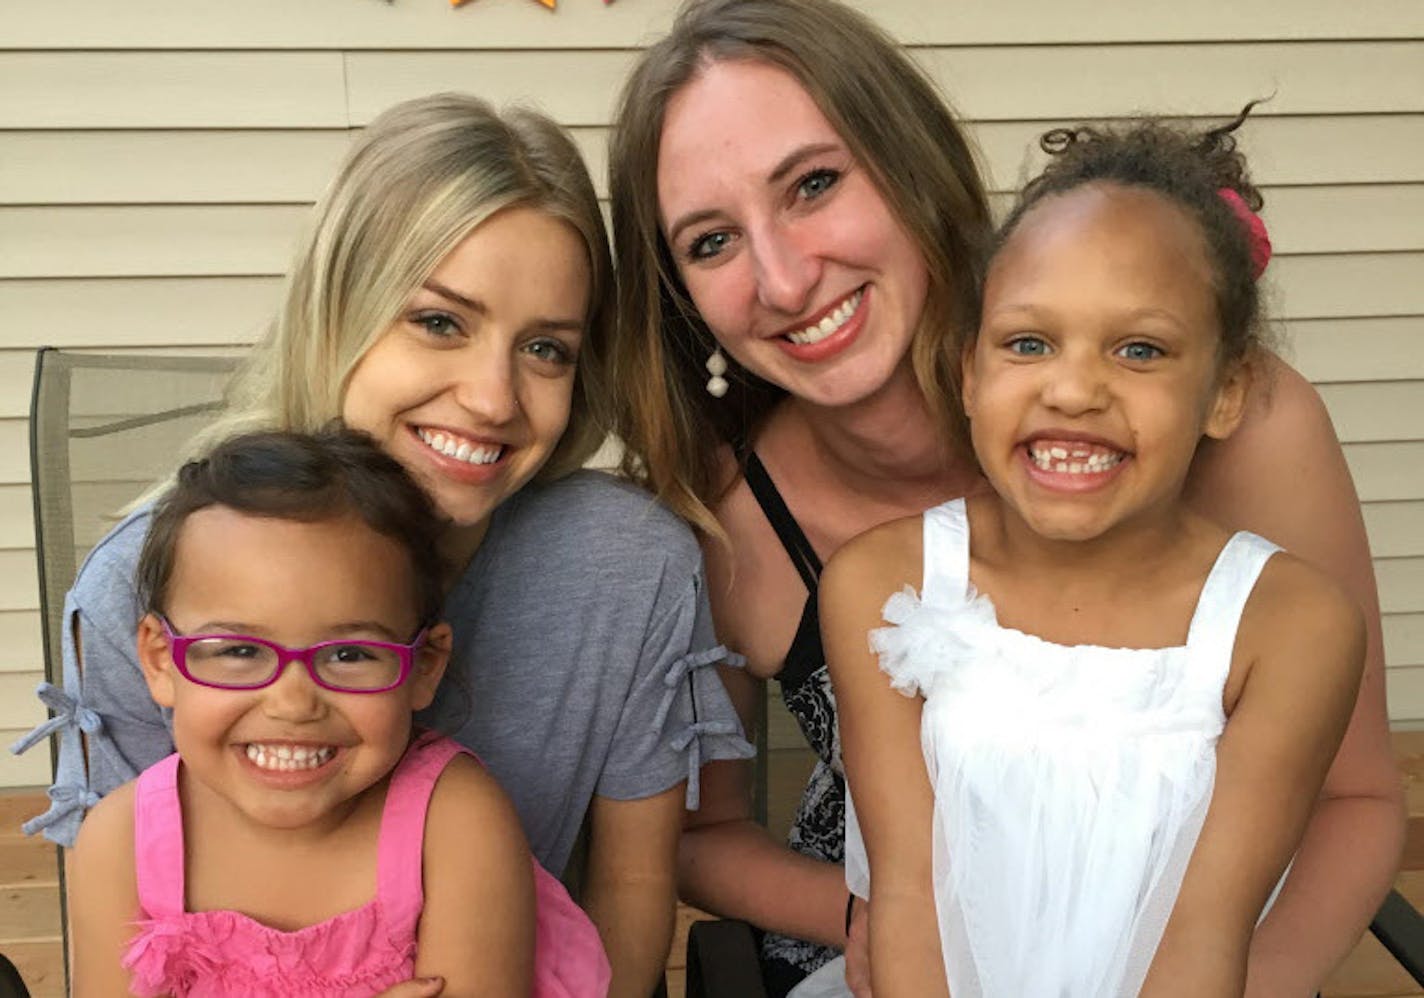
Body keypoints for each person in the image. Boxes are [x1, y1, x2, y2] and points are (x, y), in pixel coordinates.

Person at [605, 0, 1403, 994]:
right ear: (678, 288)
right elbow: (698, 833)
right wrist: (890, 918)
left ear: (909, 164)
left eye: (812, 184)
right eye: (711, 241)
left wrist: (1253, 977)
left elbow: (1357, 795)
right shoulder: (725, 520)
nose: (782, 276)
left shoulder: (1239, 430)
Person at [18, 92, 750, 998]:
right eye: (439, 321)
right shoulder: (138, 584)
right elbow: (134, 916)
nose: (492, 398)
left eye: (546, 349)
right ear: (340, 306)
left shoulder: (627, 565)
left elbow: (633, 884)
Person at [825, 112, 1364, 997]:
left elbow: (1203, 935)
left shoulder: (1290, 627)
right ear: (970, 374)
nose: (1073, 389)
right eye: (1028, 343)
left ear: (1225, 393)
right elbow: (911, 901)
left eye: (1140, 349)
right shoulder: (882, 584)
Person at [70, 428, 611, 997]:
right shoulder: (120, 843)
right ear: (160, 660)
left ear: (425, 665)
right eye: (239, 651)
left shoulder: (454, 824)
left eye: (350, 654)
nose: (294, 703)